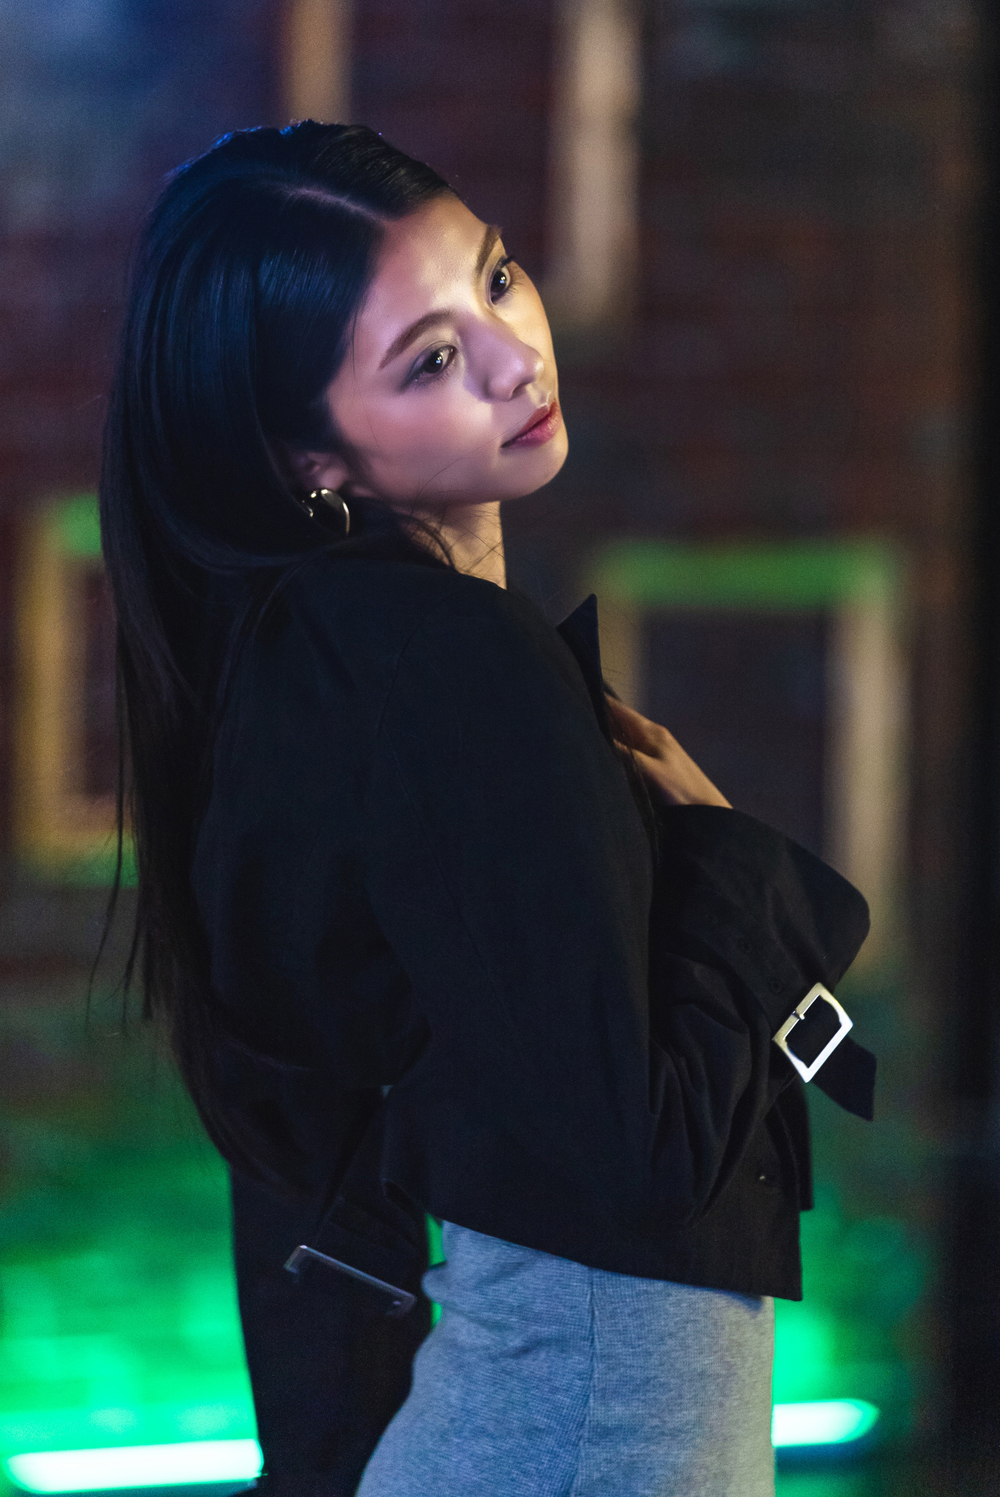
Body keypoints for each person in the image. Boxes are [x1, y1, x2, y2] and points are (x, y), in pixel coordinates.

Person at [99, 121, 876, 1497]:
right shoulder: (445, 665)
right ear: (309, 458)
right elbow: (639, 1158)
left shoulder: (318, 665)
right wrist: (727, 862)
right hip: (591, 1421)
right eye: (430, 360)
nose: (516, 358)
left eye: (499, 278)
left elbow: (320, 1141)